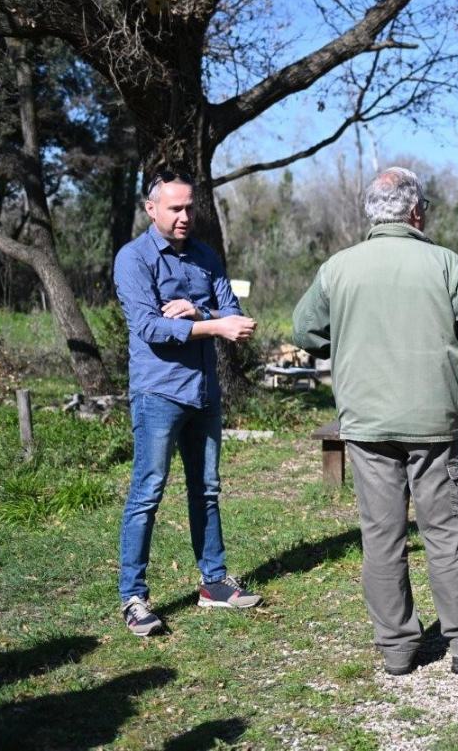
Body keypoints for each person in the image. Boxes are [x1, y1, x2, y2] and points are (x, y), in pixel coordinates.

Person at [292, 167, 458, 676]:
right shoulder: (445, 263)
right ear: (416, 212)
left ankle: (396, 648)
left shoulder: (338, 267)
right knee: (445, 533)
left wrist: (346, 342)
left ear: (371, 213)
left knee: (381, 535)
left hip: (366, 420)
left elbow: (305, 329)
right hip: (431, 419)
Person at [113, 170, 262, 637]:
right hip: (158, 392)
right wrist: (213, 328)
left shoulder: (205, 256)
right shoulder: (133, 259)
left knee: (207, 489)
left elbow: (236, 318)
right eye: (174, 208)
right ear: (151, 209)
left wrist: (203, 314)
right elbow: (150, 328)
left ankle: (213, 582)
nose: (184, 216)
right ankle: (133, 597)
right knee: (148, 492)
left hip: (203, 393)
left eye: (189, 207)